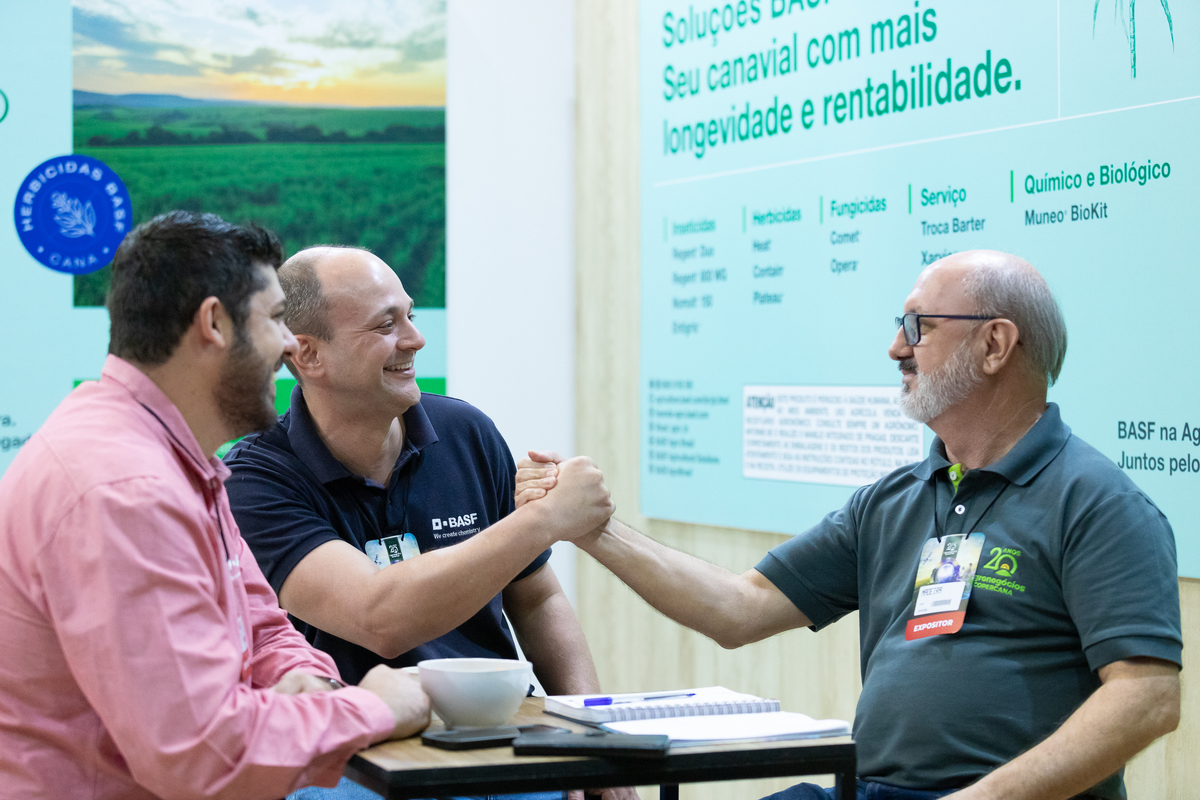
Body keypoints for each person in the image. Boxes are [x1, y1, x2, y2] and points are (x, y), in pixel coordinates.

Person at [518, 250, 1182, 800]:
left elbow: (1147, 697)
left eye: (919, 326)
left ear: (995, 343)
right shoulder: (892, 501)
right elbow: (738, 608)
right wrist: (589, 528)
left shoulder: (1097, 503)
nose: (896, 347)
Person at [0, 212, 431, 800]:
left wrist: (309, 685)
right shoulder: (128, 489)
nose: (288, 346)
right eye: (277, 320)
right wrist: (372, 708)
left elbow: (260, 624)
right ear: (213, 324)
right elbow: (202, 754)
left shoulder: (166, 456)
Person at [223, 246, 628, 800]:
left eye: (410, 316)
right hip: (358, 758)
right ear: (309, 356)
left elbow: (537, 600)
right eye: (385, 325)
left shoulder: (466, 431)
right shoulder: (255, 478)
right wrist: (545, 520)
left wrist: (591, 736)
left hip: (502, 737)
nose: (413, 338)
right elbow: (379, 617)